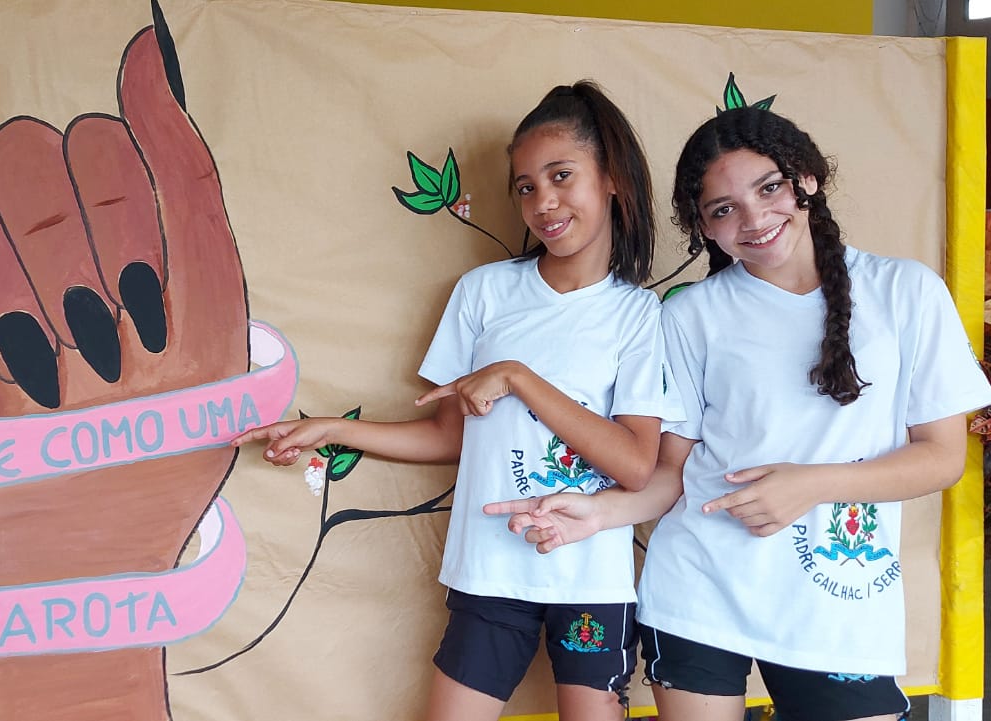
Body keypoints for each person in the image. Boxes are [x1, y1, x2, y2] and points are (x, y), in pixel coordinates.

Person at [486, 106, 991, 721]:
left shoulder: (906, 291)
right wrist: (596, 514)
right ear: (702, 226)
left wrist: (811, 485)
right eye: (723, 209)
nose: (753, 220)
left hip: (839, 603)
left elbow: (942, 459)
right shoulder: (689, 314)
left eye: (769, 188)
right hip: (699, 593)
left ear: (808, 179)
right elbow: (671, 475)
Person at [231, 81, 677, 721]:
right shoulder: (483, 293)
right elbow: (449, 437)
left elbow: (636, 464)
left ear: (611, 179)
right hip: (488, 570)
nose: (543, 203)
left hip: (592, 581)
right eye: (525, 187)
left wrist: (518, 378)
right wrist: (332, 430)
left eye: (561, 176)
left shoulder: (640, 316)